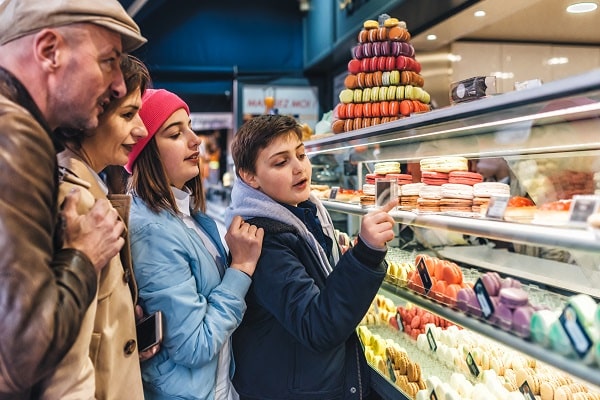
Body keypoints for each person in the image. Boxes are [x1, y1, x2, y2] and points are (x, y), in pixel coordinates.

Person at [0, 0, 146, 398]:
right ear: (49, 51)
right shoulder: (14, 135)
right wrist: (84, 254)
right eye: (108, 61)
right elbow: (20, 357)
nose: (118, 84)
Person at [224, 114, 397, 400]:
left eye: (301, 155)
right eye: (281, 162)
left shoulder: (306, 212)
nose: (299, 168)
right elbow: (316, 326)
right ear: (249, 176)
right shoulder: (262, 240)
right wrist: (364, 254)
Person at [125, 88, 264, 400]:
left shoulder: (186, 216)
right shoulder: (151, 231)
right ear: (145, 151)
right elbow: (194, 346)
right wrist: (240, 268)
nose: (195, 139)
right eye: (175, 133)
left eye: (189, 126)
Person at [35, 55, 151, 400]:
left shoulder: (92, 187)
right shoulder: (73, 202)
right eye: (128, 114)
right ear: (88, 114)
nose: (142, 129)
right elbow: (62, 355)